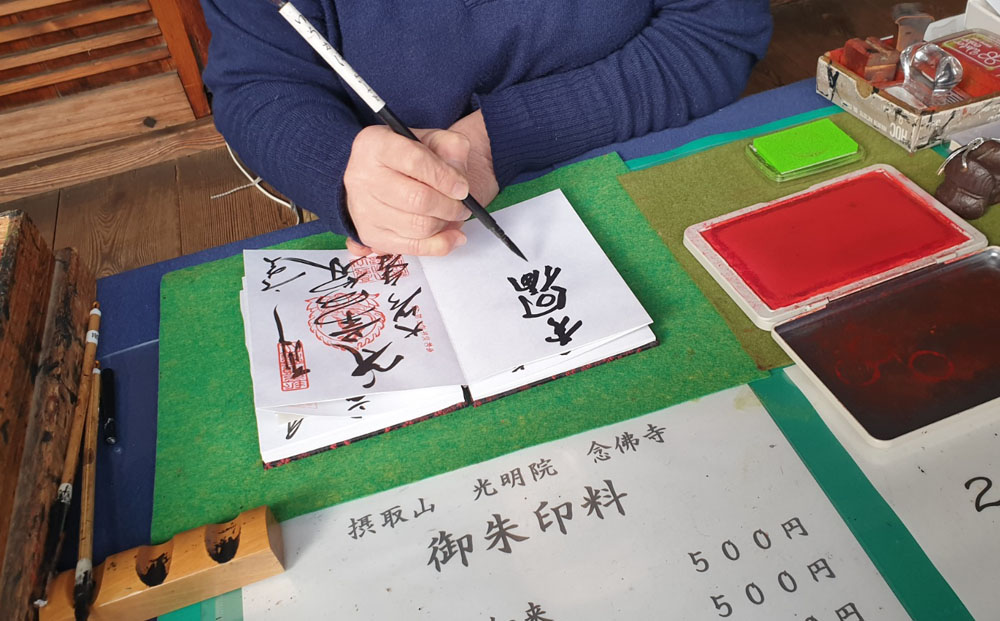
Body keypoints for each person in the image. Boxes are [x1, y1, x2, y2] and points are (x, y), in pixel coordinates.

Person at [201, 0, 772, 256]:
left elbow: (715, 31)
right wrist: (341, 169)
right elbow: (257, 82)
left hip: (643, 163)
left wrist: (498, 139)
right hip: (416, 224)